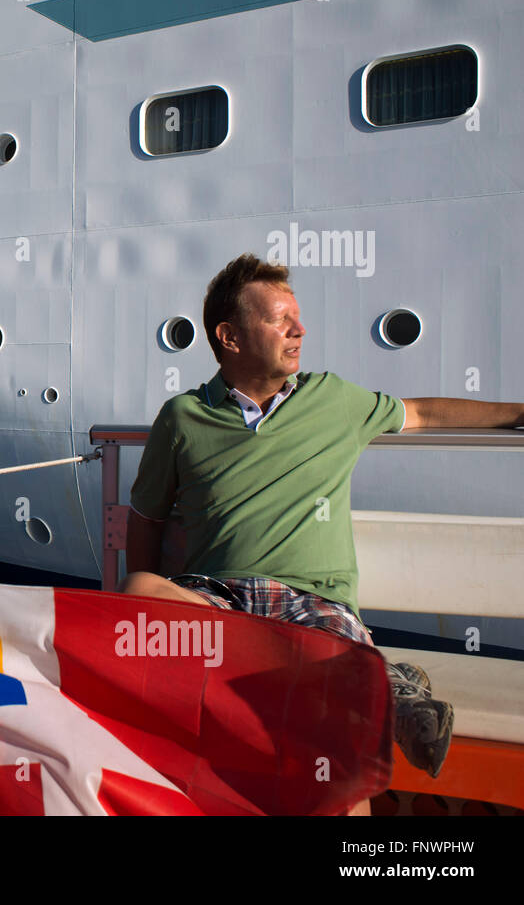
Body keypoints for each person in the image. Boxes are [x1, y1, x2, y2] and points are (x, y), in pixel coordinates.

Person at [122, 253, 523, 795]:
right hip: (219, 599)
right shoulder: (183, 417)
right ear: (231, 337)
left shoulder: (332, 399)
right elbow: (145, 518)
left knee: (326, 724)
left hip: (311, 602)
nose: (299, 329)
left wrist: (517, 413)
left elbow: (422, 413)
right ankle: (386, 686)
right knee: (139, 589)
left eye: (296, 316)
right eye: (278, 319)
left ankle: (373, 684)